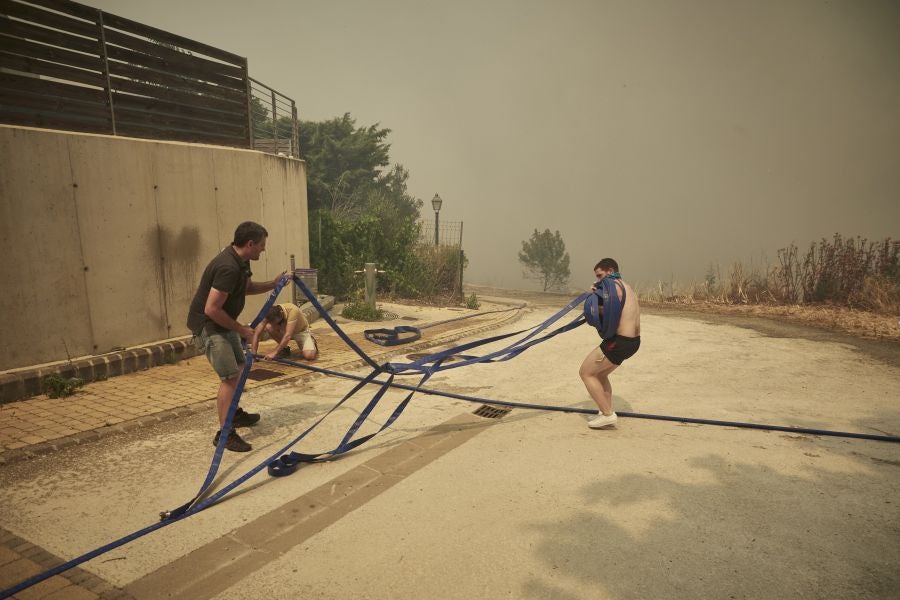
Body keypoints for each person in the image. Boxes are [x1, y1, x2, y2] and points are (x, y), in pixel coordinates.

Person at [186, 221, 283, 452]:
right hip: (210, 326)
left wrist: (273, 284)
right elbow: (211, 309)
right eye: (261, 245)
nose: (263, 249)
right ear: (250, 244)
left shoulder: (241, 261)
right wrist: (242, 330)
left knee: (240, 367)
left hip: (222, 323)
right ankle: (225, 433)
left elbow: (246, 288)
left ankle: (234, 414)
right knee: (230, 377)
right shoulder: (228, 267)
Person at [578, 258, 641, 429]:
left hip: (619, 342)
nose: (599, 280)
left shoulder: (614, 287)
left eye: (600, 276)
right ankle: (604, 409)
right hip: (633, 342)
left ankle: (607, 414)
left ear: (610, 271)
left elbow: (602, 310)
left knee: (586, 373)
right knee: (600, 374)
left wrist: (592, 295)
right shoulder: (626, 287)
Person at [250, 302, 318, 361]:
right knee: (269, 327)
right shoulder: (268, 314)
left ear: (281, 313)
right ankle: (284, 349)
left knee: (309, 356)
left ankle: (312, 341)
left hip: (300, 331)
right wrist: (253, 354)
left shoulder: (293, 310)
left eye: (278, 322)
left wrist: (274, 353)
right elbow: (257, 334)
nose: (276, 324)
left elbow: (288, 336)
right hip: (284, 332)